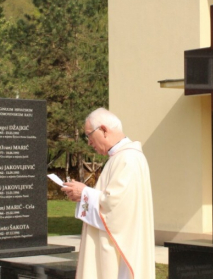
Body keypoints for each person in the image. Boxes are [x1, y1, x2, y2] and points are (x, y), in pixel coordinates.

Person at [62, 108, 155, 279]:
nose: (89, 142)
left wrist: (84, 192)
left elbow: (117, 207)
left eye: (89, 135)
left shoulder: (128, 159)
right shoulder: (120, 158)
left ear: (103, 130)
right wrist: (82, 194)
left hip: (119, 252)